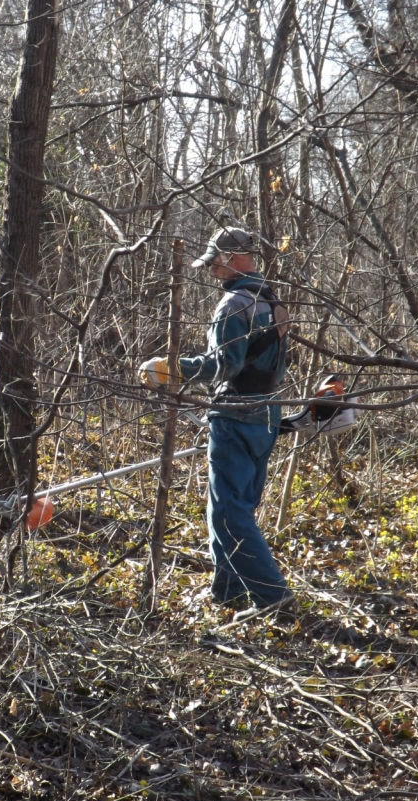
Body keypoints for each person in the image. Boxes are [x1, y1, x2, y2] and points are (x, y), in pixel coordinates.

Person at [139, 226, 295, 620]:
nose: (211, 271)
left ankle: (271, 595)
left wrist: (172, 369)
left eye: (214, 263)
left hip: (236, 417)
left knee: (229, 514)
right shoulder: (272, 300)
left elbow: (225, 364)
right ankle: (228, 592)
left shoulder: (233, 305)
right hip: (267, 415)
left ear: (231, 259)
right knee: (230, 509)